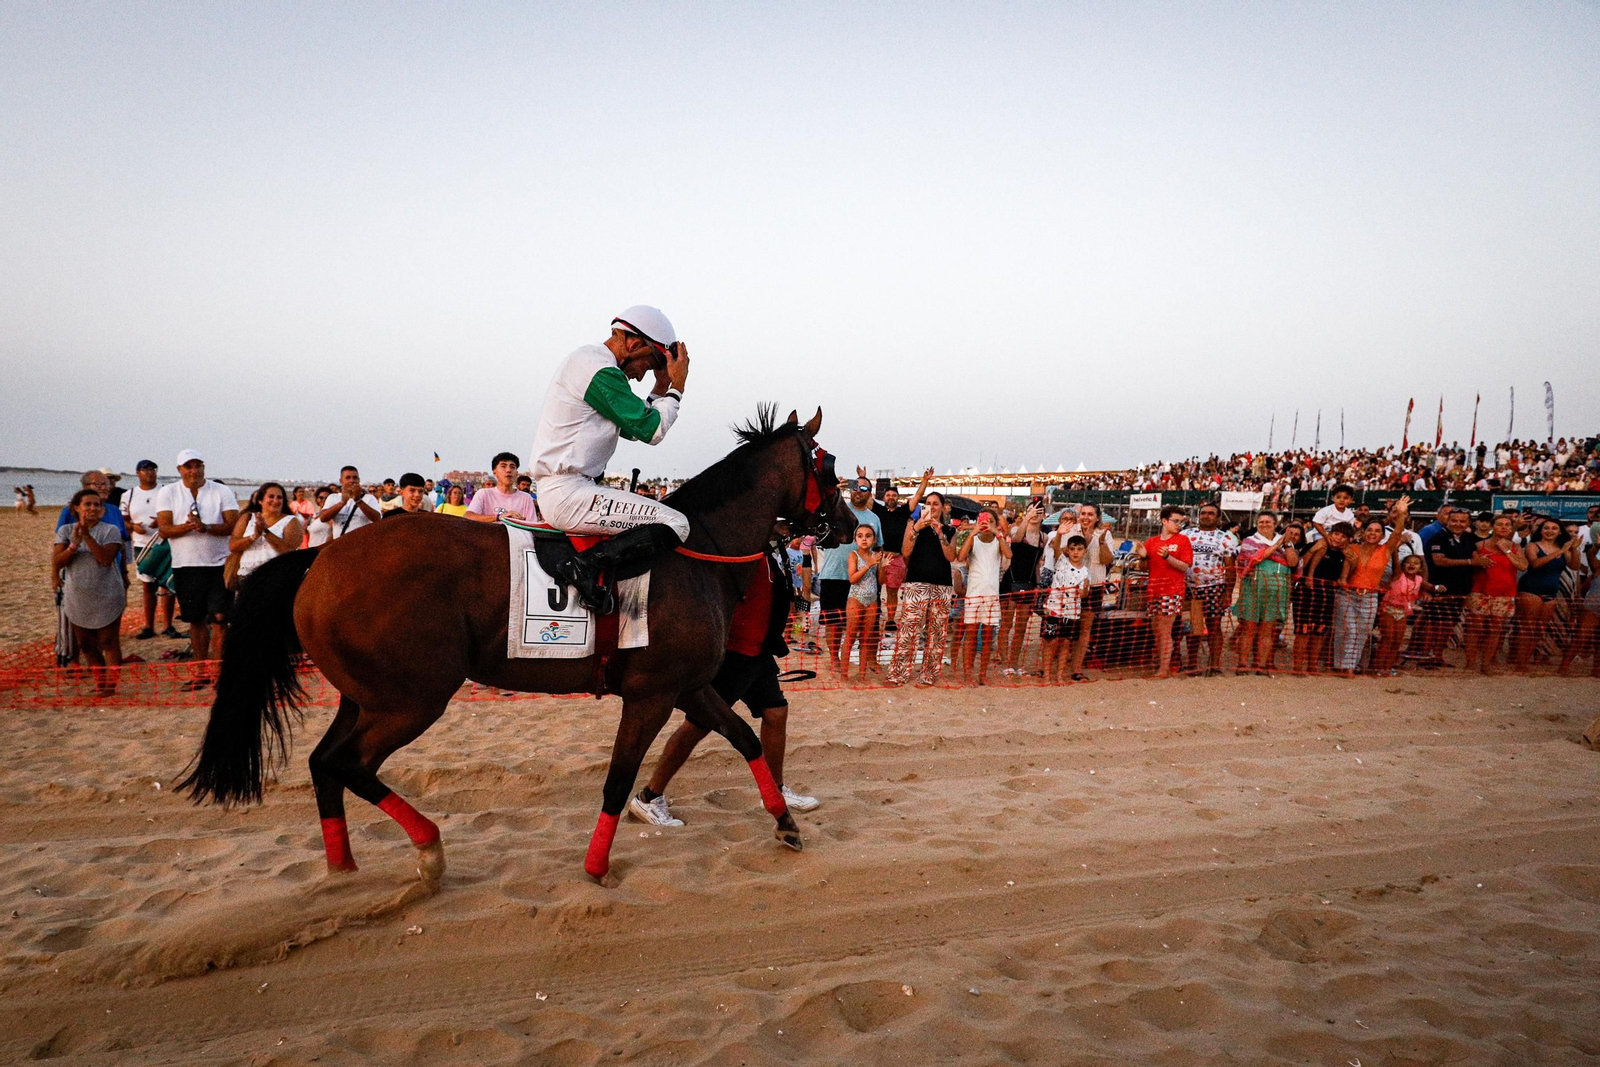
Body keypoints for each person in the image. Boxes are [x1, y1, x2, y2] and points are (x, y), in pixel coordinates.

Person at [628, 523, 817, 826]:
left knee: (776, 713)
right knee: (697, 727)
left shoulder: (769, 554)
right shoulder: (738, 554)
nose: (784, 528)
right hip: (732, 656)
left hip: (759, 652)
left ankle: (776, 789)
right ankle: (649, 796)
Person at [531, 306, 691, 614]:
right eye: (650, 363)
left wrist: (661, 387)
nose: (643, 374)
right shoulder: (599, 369)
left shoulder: (593, 365)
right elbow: (652, 430)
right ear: (633, 344)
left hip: (568, 489)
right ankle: (583, 568)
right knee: (677, 523)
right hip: (569, 493)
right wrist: (678, 387)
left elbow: (634, 428)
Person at [155, 449, 239, 681]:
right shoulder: (169, 492)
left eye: (198, 465)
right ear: (180, 470)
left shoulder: (221, 490)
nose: (194, 470)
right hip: (186, 565)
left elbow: (233, 524)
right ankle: (201, 670)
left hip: (219, 564)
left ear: (204, 466)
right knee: (195, 619)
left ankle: (220, 672)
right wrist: (190, 527)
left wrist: (208, 527)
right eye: (188, 466)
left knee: (221, 618)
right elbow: (164, 529)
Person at [52, 488, 127, 695]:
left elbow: (104, 559)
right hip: (78, 594)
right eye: (87, 504)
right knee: (86, 644)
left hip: (108, 593)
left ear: (102, 510)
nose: (93, 508)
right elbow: (57, 561)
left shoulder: (110, 530)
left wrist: (87, 535)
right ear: (76, 508)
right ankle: (100, 681)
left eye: (97, 505)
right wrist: (73, 545)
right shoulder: (66, 531)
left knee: (108, 641)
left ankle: (110, 685)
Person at [1333, 498, 1411, 676]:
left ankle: (1349, 666)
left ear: (1382, 536)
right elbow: (1346, 569)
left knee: (1362, 632)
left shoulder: (1385, 550)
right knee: (1347, 630)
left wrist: (1401, 514)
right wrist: (1343, 579)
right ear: (1363, 532)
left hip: (1369, 597)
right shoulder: (1352, 548)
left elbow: (1398, 532)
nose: (1373, 533)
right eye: (1370, 530)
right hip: (1347, 594)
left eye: (1377, 531)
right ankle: (1342, 665)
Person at [887, 492, 957, 687]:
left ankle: (929, 674)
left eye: (936, 504)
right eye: (928, 503)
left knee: (937, 632)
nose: (932, 507)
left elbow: (951, 557)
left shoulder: (950, 530)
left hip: (941, 585)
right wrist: (917, 528)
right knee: (909, 629)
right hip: (916, 583)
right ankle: (898, 673)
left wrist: (941, 533)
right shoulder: (913, 524)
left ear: (943, 507)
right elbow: (906, 551)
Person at [814, 478, 883, 674]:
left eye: (863, 488)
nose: (858, 491)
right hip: (835, 573)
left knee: (868, 624)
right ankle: (835, 658)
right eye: (855, 487)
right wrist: (832, 486)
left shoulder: (874, 518)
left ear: (870, 492)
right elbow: (820, 503)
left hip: (865, 579)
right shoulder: (836, 509)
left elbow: (879, 548)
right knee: (834, 622)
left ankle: (869, 660)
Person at [1234, 512, 1298, 674]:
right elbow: (1255, 558)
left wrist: (1287, 544)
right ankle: (1242, 664)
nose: (1264, 524)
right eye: (1261, 522)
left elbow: (1292, 562)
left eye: (1268, 522)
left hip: (1277, 589)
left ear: (1275, 524)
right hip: (1253, 588)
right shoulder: (1250, 541)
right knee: (1248, 627)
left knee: (1267, 629)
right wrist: (1278, 545)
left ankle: (1261, 666)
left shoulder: (1286, 542)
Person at [1513, 518, 1579, 671]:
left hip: (1551, 591)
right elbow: (1535, 564)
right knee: (1527, 628)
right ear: (1541, 531)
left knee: (1539, 629)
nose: (1550, 531)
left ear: (1559, 532)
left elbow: (1574, 566)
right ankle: (1520, 663)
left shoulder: (1563, 549)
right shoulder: (1533, 546)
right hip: (1531, 589)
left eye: (1554, 528)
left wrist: (1574, 549)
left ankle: (1526, 660)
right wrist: (1560, 551)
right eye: (1546, 528)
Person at [1463, 514, 1526, 675]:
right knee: (1474, 628)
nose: (1504, 527)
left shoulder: (1515, 547)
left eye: (1507, 525)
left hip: (1504, 593)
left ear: (1511, 529)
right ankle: (1470, 663)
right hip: (1480, 591)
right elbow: (1472, 565)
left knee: (1495, 629)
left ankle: (1486, 664)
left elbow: (1523, 566)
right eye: (1499, 524)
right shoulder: (1479, 545)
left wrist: (1506, 551)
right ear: (1492, 527)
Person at [1135, 506, 1192, 678]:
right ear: (1164, 521)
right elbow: (1144, 568)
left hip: (1172, 590)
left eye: (1181, 522)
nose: (1179, 525)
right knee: (1156, 629)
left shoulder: (1183, 540)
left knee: (1164, 629)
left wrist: (1168, 557)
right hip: (1154, 590)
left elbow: (1184, 566)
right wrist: (1143, 556)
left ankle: (1163, 668)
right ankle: (1162, 663)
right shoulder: (1152, 541)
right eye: (1176, 521)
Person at [955, 508, 1011, 685]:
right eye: (983, 521)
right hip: (974, 594)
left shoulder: (997, 541)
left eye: (990, 521)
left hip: (992, 595)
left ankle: (982, 674)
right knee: (970, 635)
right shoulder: (974, 540)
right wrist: (972, 533)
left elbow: (1009, 555)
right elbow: (961, 556)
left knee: (988, 637)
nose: (986, 525)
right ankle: (968, 673)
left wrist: (998, 533)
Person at [871, 467, 931, 631]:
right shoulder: (879, 510)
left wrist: (924, 481)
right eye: (888, 495)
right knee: (874, 588)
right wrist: (862, 478)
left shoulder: (903, 511)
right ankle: (874, 619)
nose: (891, 497)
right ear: (884, 497)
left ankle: (890, 620)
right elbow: (865, 497)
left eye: (894, 495)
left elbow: (917, 497)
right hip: (879, 555)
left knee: (892, 591)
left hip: (896, 557)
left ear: (898, 497)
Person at [1417, 509, 1478, 668]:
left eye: (1462, 521)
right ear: (1448, 521)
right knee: (1434, 624)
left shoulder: (1469, 538)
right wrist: (1470, 562)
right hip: (1440, 587)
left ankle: (1437, 656)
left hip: (1461, 589)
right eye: (1454, 521)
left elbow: (1479, 553)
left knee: (1448, 623)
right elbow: (1439, 561)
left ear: (1468, 523)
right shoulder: (1438, 537)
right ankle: (1425, 656)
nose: (1458, 524)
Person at [123, 458, 177, 639]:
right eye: (145, 470)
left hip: (164, 543)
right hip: (141, 544)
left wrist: (162, 521)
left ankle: (168, 625)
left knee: (167, 584)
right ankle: (148, 626)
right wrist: (133, 527)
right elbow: (123, 519)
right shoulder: (129, 495)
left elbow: (177, 513)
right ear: (138, 473)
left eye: (153, 469)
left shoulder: (166, 491)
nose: (150, 472)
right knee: (147, 586)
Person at [1063, 503, 1117, 682]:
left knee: (1085, 629)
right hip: (1071, 585)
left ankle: (1076, 668)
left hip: (1094, 585)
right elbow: (1063, 554)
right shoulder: (1071, 531)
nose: (1086, 517)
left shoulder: (1105, 534)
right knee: (1067, 628)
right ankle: (1062, 666)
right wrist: (1084, 540)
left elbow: (1107, 560)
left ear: (1097, 517)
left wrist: (1100, 542)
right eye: (1083, 514)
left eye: (1090, 514)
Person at [1184, 502, 1239, 676]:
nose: (1206, 516)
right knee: (1194, 627)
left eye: (1211, 513)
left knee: (1214, 626)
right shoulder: (1186, 534)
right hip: (1189, 587)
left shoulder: (1225, 538)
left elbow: (1230, 567)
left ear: (1218, 518)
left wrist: (1228, 593)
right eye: (1203, 513)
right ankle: (1193, 664)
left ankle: (1214, 665)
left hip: (1214, 587)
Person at [1291, 521, 1347, 673]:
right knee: (1303, 631)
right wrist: (1313, 549)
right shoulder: (1316, 545)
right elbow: (1299, 566)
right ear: (1330, 533)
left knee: (1319, 632)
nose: (1338, 538)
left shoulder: (1345, 554)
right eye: (1336, 534)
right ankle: (1297, 667)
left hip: (1327, 596)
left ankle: (1312, 666)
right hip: (1306, 593)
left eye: (1343, 536)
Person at [998, 500, 1044, 676]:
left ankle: (1014, 661)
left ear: (1043, 516)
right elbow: (1016, 540)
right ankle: (1005, 662)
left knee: (1022, 626)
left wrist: (1038, 585)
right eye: (1032, 511)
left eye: (1038, 512)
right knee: (1007, 624)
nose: (1035, 515)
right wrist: (1026, 519)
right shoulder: (1018, 530)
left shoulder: (1043, 537)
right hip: (1011, 580)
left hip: (1028, 582)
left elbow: (1038, 565)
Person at [1374, 555, 1442, 674]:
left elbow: (1430, 586)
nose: (1412, 565)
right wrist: (1396, 550)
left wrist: (1438, 587)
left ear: (1420, 568)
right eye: (1408, 562)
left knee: (1397, 640)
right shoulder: (1398, 576)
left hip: (1403, 612)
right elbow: (1396, 563)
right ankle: (1378, 667)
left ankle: (1388, 667)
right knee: (1387, 639)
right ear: (1402, 565)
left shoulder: (1419, 579)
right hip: (1389, 609)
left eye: (1416, 563)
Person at [228, 482, 302, 583]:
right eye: (271, 497)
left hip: (276, 577)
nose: (275, 501)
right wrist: (253, 536)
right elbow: (233, 546)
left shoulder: (290, 521)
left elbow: (288, 551)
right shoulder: (247, 518)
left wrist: (265, 532)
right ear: (260, 500)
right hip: (246, 577)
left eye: (279, 497)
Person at [1041, 535, 1089, 684]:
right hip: (1053, 609)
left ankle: (1060, 675)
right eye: (1072, 549)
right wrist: (1060, 533)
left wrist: (1085, 587)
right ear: (1067, 550)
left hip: (1071, 612)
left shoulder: (1085, 572)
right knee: (1051, 641)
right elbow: (1055, 546)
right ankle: (1047, 675)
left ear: (1084, 551)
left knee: (1066, 643)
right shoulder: (1061, 561)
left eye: (1079, 549)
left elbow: (1083, 595)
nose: (1076, 552)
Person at [842, 524, 884, 682]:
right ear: (855, 539)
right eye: (860, 536)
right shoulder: (853, 555)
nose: (864, 539)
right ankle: (844, 674)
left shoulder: (876, 556)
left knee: (866, 638)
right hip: (856, 599)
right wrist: (869, 564)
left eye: (868, 536)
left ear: (874, 540)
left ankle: (862, 674)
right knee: (850, 636)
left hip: (872, 600)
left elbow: (880, 581)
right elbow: (852, 579)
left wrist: (883, 567)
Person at [466, 452, 538, 523]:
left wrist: (520, 522)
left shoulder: (526, 498)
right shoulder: (484, 494)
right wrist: (499, 517)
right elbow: (468, 516)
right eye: (503, 466)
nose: (508, 470)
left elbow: (532, 525)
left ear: (516, 473)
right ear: (495, 472)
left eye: (512, 467)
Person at [317, 466, 383, 539]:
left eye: (355, 478)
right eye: (348, 478)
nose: (352, 481)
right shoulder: (333, 497)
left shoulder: (369, 498)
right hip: (339, 544)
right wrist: (342, 503)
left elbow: (377, 518)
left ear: (359, 480)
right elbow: (323, 518)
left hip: (362, 544)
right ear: (341, 480)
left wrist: (358, 501)